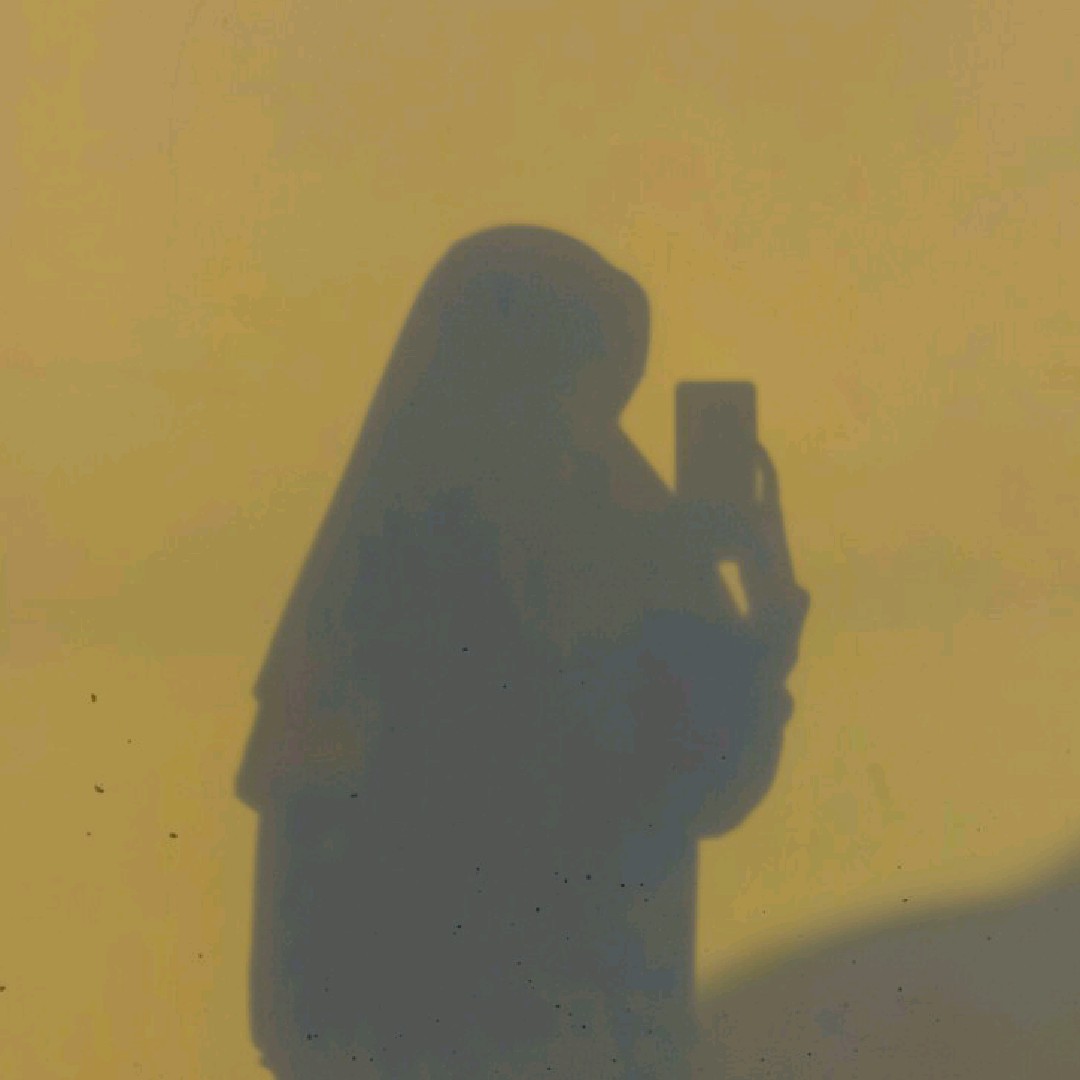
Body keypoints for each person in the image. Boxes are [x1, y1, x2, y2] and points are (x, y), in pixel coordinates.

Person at [236, 225, 809, 1078]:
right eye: (574, 388)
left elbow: (698, 782)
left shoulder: (392, 590)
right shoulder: (589, 561)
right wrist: (749, 630)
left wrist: (747, 629)